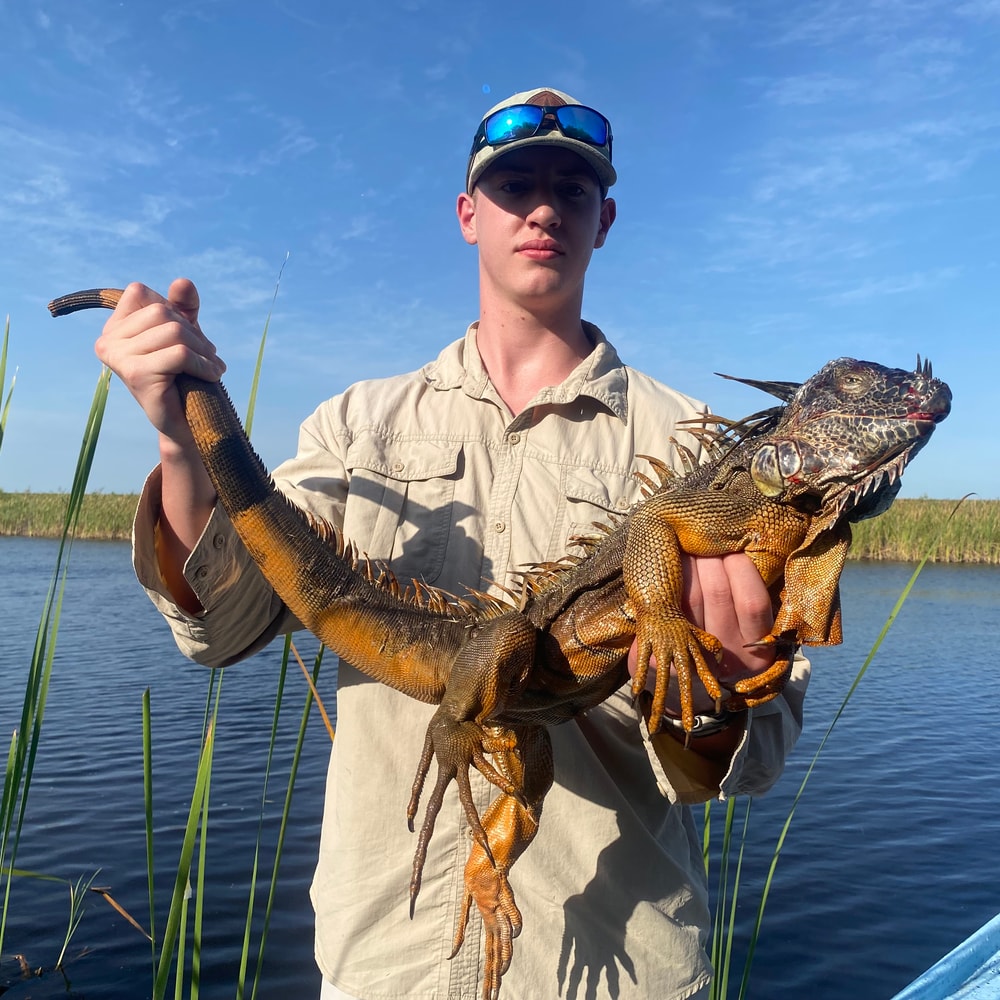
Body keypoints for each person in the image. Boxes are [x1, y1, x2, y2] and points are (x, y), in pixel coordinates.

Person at [96, 87, 809, 1000]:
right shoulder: (359, 424)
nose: (544, 207)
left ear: (606, 220)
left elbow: (754, 757)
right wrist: (178, 434)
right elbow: (226, 627)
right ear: (470, 215)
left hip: (617, 961)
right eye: (515, 185)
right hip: (386, 960)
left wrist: (728, 681)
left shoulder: (700, 452)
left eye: (572, 189)